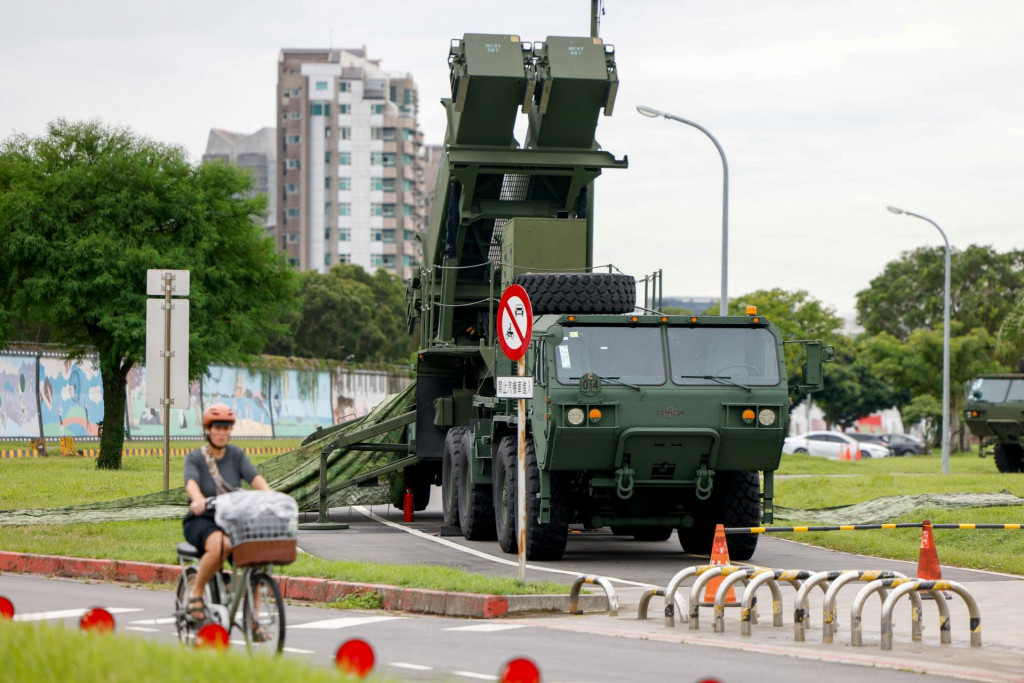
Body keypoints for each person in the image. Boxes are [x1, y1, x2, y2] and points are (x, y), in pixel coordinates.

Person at [182, 403, 270, 625]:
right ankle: (196, 593)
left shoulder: (236, 454)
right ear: (208, 429)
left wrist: (270, 495)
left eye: (226, 428)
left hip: (231, 519)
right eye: (217, 427)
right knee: (221, 545)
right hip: (202, 518)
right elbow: (191, 483)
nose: (222, 433)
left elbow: (254, 477)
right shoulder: (195, 458)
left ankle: (253, 622)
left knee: (256, 559)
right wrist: (198, 499)